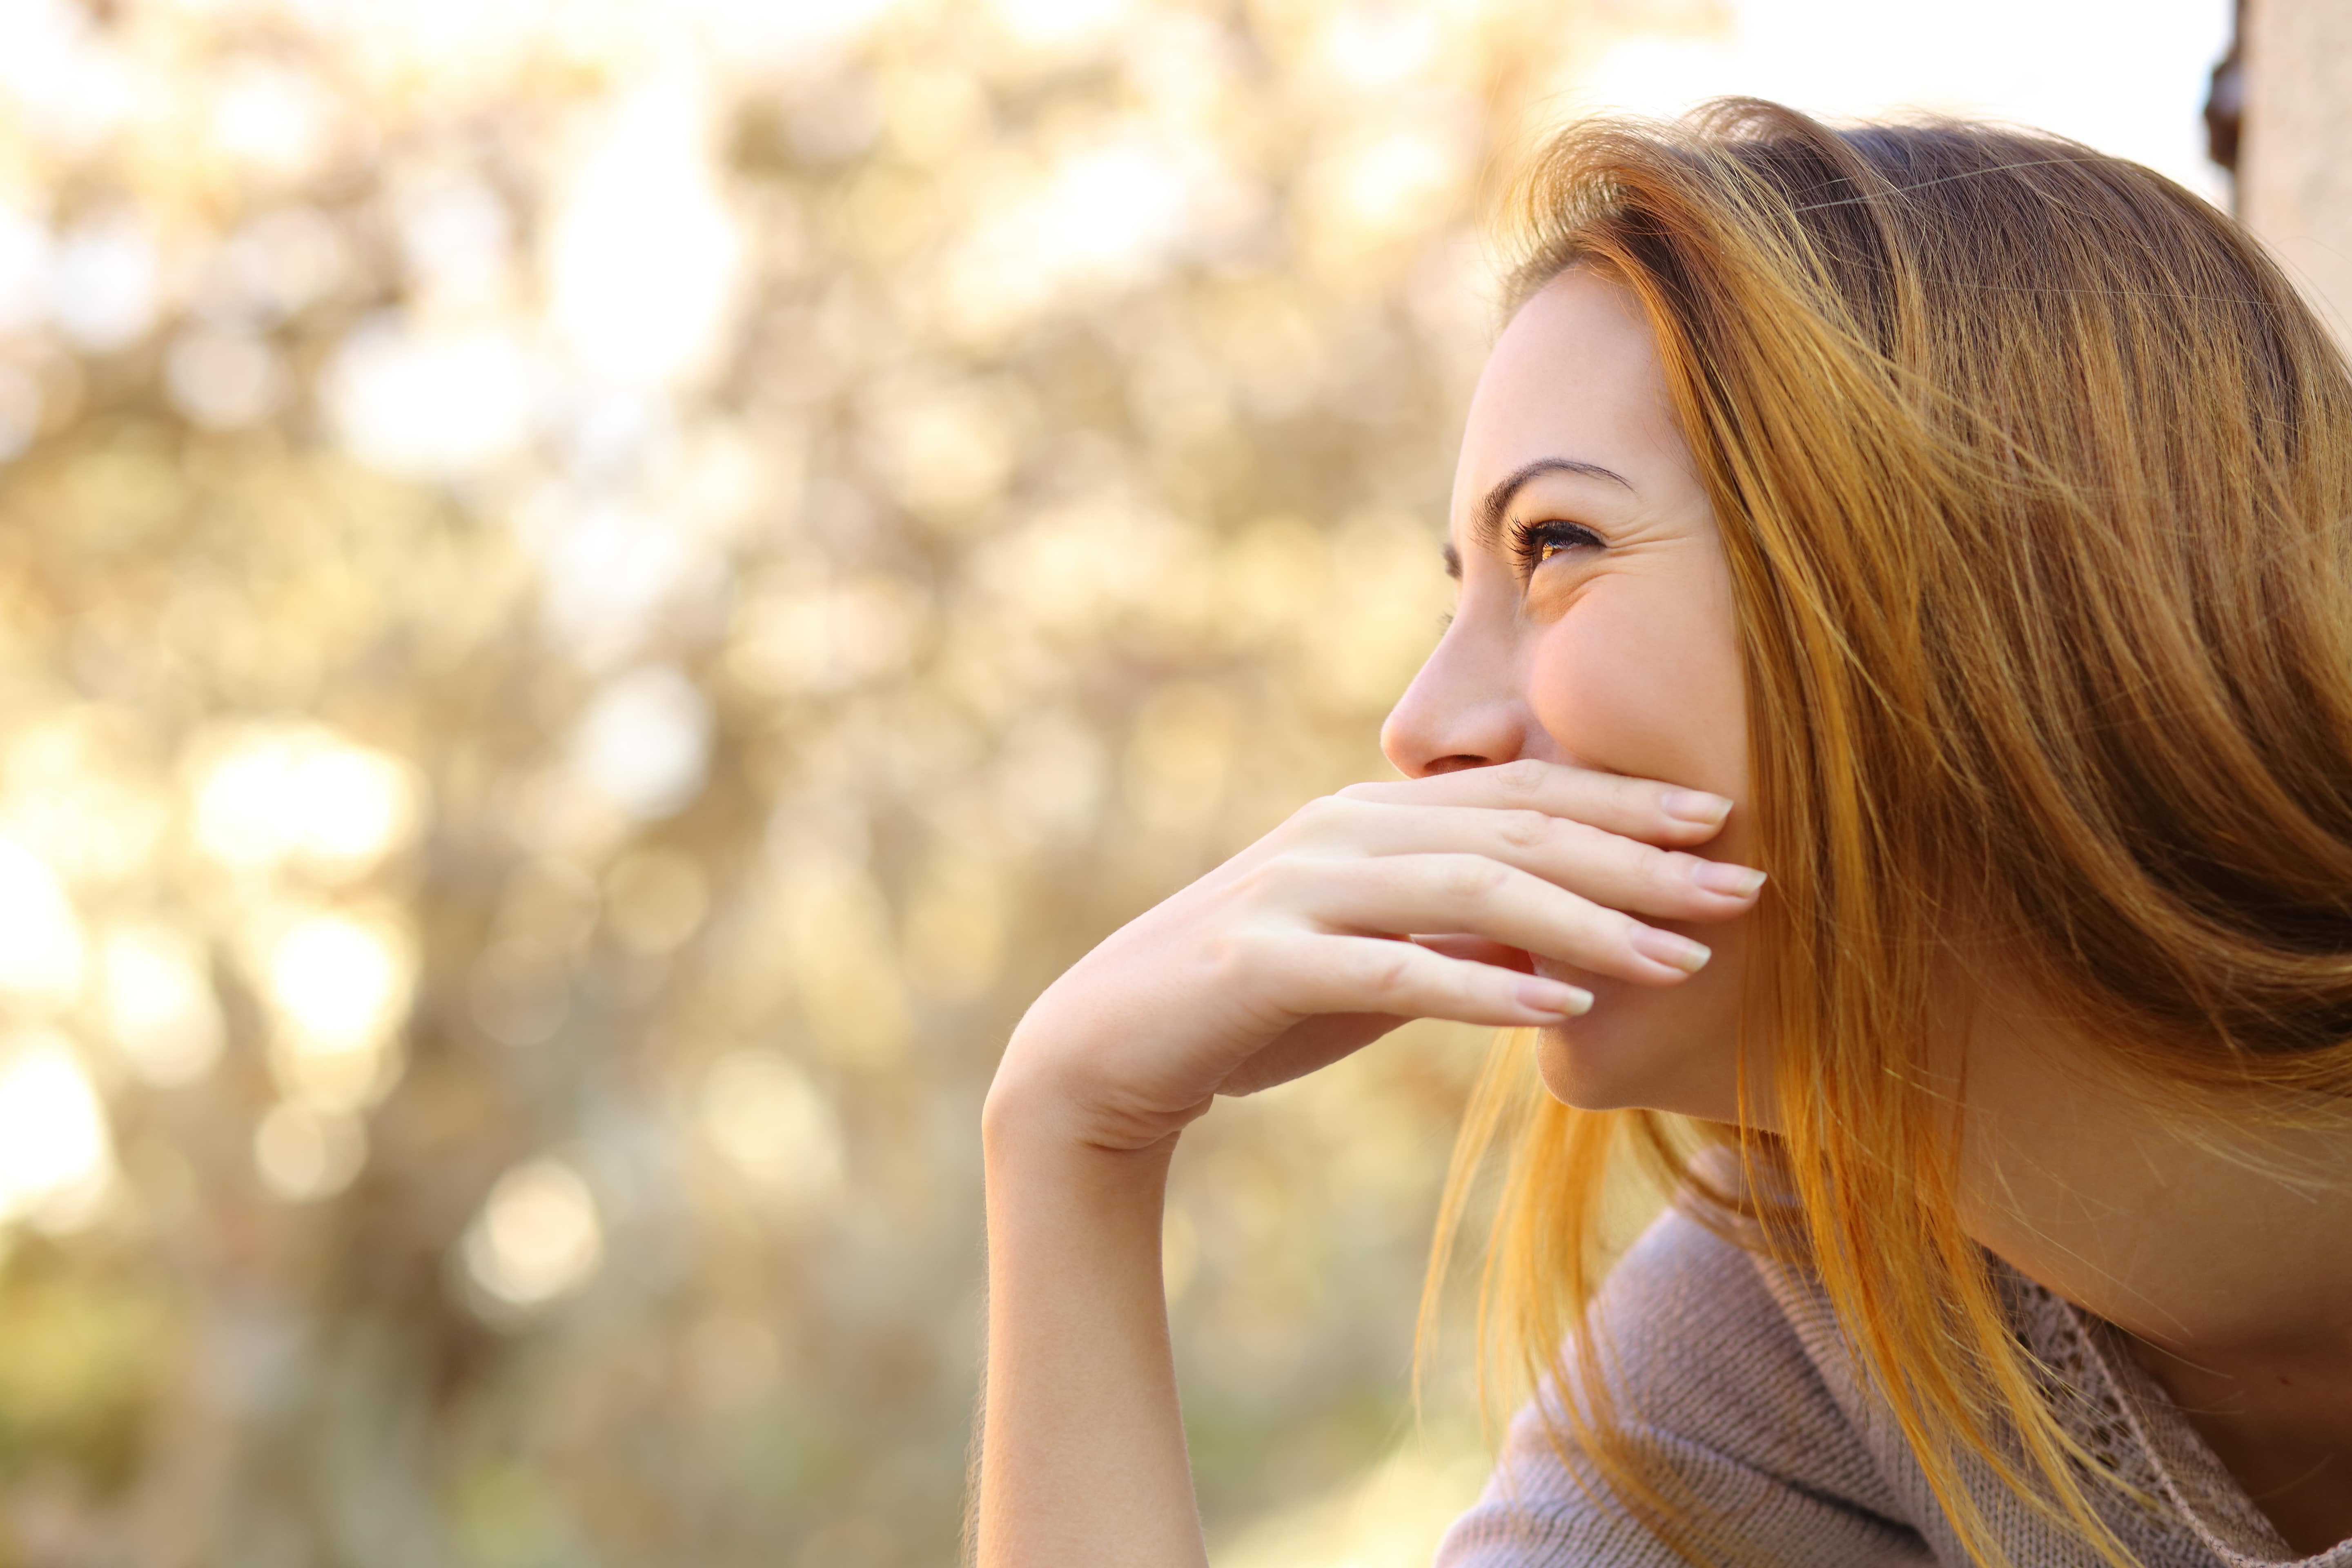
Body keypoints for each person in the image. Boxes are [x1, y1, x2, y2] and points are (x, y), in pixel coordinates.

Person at [971, 99, 2352, 1567]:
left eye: (1553, 546)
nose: (1421, 725)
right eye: (1461, 597)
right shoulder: (1820, 1302)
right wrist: (1071, 1142)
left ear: (1967, 577)